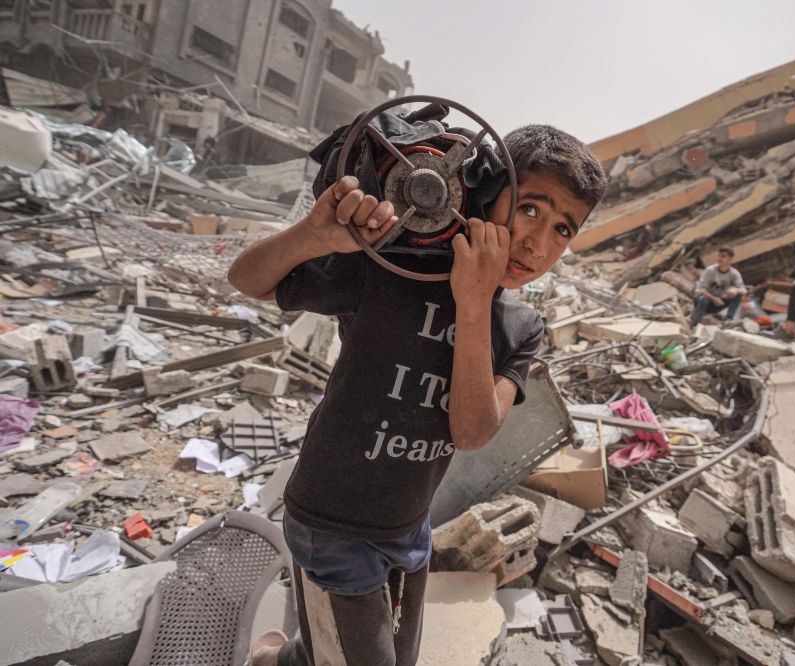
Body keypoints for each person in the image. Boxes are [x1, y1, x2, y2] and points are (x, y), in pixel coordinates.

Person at [228, 124, 608, 666]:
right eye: (529, 209)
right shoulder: (394, 269)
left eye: (563, 229)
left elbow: (472, 431)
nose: (538, 243)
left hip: (408, 528)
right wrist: (313, 236)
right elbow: (247, 279)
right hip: (331, 520)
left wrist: (476, 303)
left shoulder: (521, 329)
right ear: (487, 190)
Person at [690, 246, 746, 326]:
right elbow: (701, 290)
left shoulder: (734, 273)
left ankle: (728, 320)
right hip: (705, 301)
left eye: (723, 256)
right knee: (703, 299)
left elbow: (744, 290)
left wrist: (735, 290)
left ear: (730, 259)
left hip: (720, 301)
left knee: (737, 296)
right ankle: (695, 324)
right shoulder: (710, 270)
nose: (720, 258)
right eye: (719, 256)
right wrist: (713, 299)